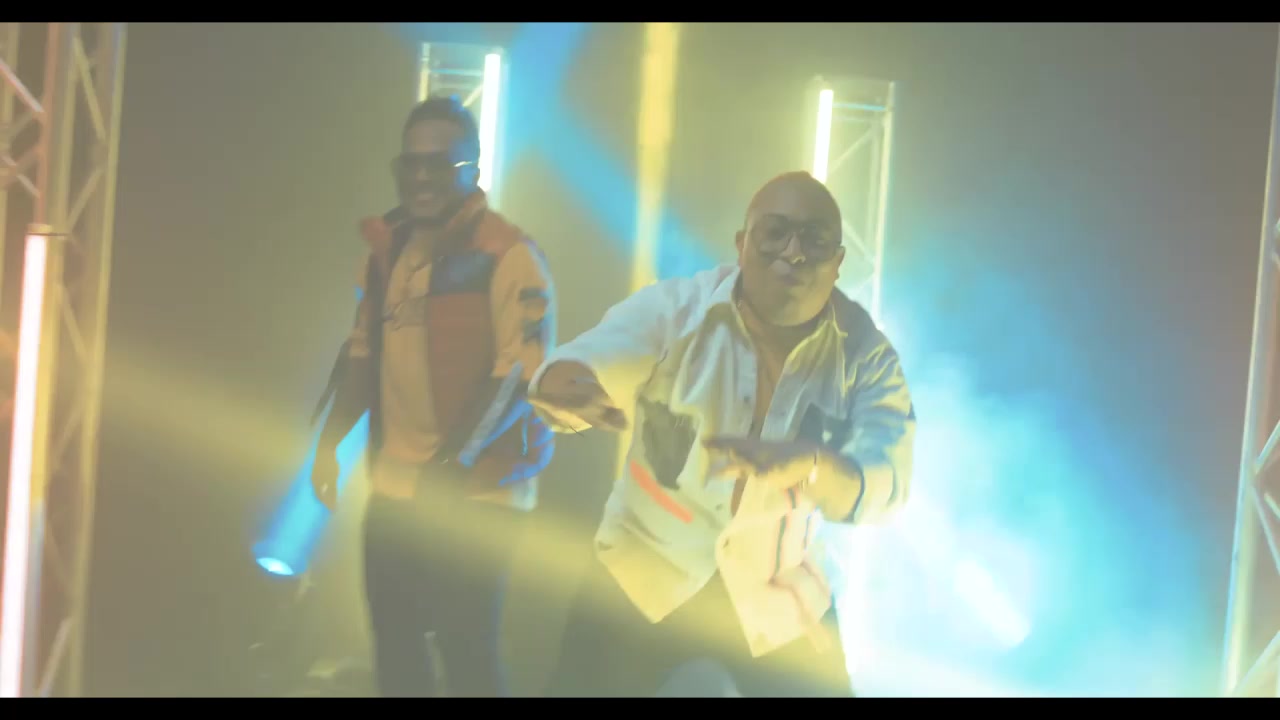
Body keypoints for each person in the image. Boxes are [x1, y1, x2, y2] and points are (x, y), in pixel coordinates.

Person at [530, 171, 915, 697]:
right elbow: (591, 357)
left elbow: (887, 479)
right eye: (774, 232)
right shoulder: (678, 309)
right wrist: (568, 382)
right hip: (641, 567)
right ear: (742, 244)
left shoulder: (866, 355)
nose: (793, 252)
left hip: (778, 588)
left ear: (839, 260)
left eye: (814, 239)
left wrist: (813, 467)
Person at [309, 96, 556, 697]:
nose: (421, 178)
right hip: (396, 490)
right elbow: (363, 352)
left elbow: (519, 377)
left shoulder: (510, 256)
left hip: (478, 497)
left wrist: (450, 464)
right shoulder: (385, 253)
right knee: (396, 653)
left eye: (438, 165)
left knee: (467, 656)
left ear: (472, 171)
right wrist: (328, 443)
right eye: (411, 164)